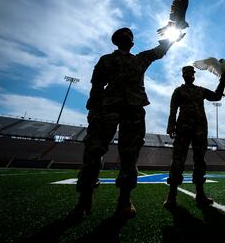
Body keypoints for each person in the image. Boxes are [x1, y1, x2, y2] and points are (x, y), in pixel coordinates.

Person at [68, 27, 184, 221]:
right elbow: (96, 86)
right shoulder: (106, 60)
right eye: (123, 36)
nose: (127, 38)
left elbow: (159, 51)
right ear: (118, 41)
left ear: (132, 42)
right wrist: (93, 109)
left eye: (129, 36)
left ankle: (124, 201)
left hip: (133, 110)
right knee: (94, 151)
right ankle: (84, 202)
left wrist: (174, 38)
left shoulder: (139, 59)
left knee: (130, 155)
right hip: (107, 108)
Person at [163, 66, 225, 208]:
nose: (189, 75)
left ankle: (200, 195)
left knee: (200, 161)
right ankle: (172, 196)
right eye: (186, 73)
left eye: (191, 73)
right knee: (177, 160)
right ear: (183, 75)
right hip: (183, 129)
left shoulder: (200, 90)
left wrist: (223, 80)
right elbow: (173, 109)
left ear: (194, 76)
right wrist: (171, 126)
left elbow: (216, 96)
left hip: (200, 129)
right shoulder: (178, 91)